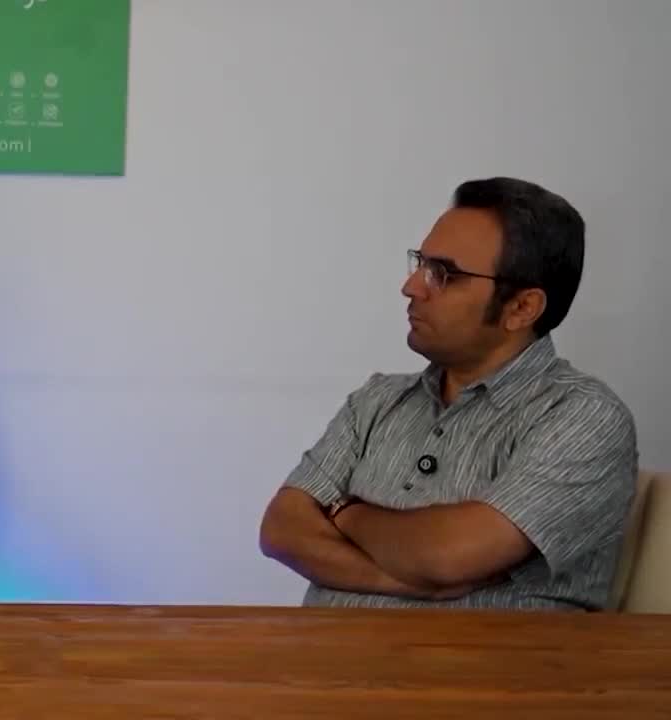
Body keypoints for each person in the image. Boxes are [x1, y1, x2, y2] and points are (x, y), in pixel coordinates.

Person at [259, 177, 637, 611]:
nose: (412, 286)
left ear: (521, 308)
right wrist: (406, 582)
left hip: (486, 657)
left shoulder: (583, 416)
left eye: (443, 274)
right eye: (420, 263)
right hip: (326, 652)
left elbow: (450, 556)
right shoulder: (377, 400)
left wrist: (344, 511)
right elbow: (281, 529)